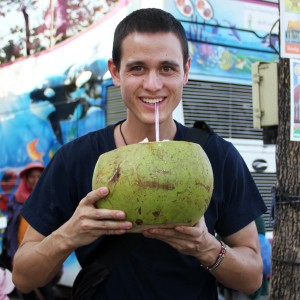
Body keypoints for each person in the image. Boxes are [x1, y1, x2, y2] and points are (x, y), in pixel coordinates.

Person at [12, 8, 267, 300]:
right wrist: (70, 235)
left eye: (167, 68)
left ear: (186, 71)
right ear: (115, 72)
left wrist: (206, 247)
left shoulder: (216, 157)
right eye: (137, 68)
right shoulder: (76, 159)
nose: (153, 84)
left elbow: (251, 277)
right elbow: (23, 276)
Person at [6, 162, 60, 299]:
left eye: (39, 176)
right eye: (31, 176)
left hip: (46, 255)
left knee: (47, 291)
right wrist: (13, 254)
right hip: (22, 255)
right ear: (26, 179)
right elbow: (11, 231)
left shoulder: (51, 199)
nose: (36, 180)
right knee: (28, 293)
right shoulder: (16, 201)